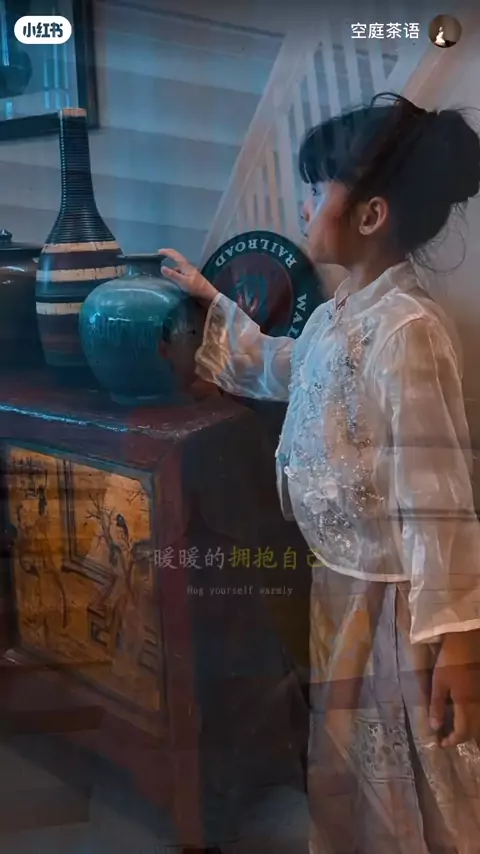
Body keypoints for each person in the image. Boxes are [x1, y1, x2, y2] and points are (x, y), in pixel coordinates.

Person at [159, 92, 480, 853]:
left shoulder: (408, 332)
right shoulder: (342, 315)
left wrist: (461, 641)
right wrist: (211, 303)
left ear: (370, 215)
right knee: (344, 761)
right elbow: (283, 365)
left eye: (317, 186)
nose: (304, 203)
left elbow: (439, 498)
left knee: (408, 764)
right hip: (338, 585)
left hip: (395, 609)